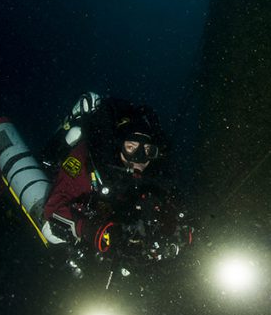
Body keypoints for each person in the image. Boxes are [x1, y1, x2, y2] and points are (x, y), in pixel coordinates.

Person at [41, 93, 191, 263]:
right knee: (49, 233)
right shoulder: (85, 158)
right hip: (89, 231)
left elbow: (168, 202)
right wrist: (94, 230)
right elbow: (53, 208)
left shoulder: (153, 175)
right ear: (118, 147)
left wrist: (173, 225)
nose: (139, 158)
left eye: (147, 150)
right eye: (131, 147)